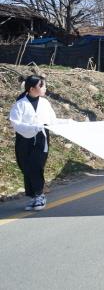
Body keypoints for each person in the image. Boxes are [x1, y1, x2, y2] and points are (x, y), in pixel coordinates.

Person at [9, 75, 63, 211]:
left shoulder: (45, 103)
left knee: (36, 165)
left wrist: (67, 124)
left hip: (41, 138)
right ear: (32, 88)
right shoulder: (20, 104)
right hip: (24, 139)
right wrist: (32, 128)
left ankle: (40, 195)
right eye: (42, 85)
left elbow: (52, 120)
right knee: (25, 166)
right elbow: (16, 123)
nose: (45, 88)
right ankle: (33, 196)